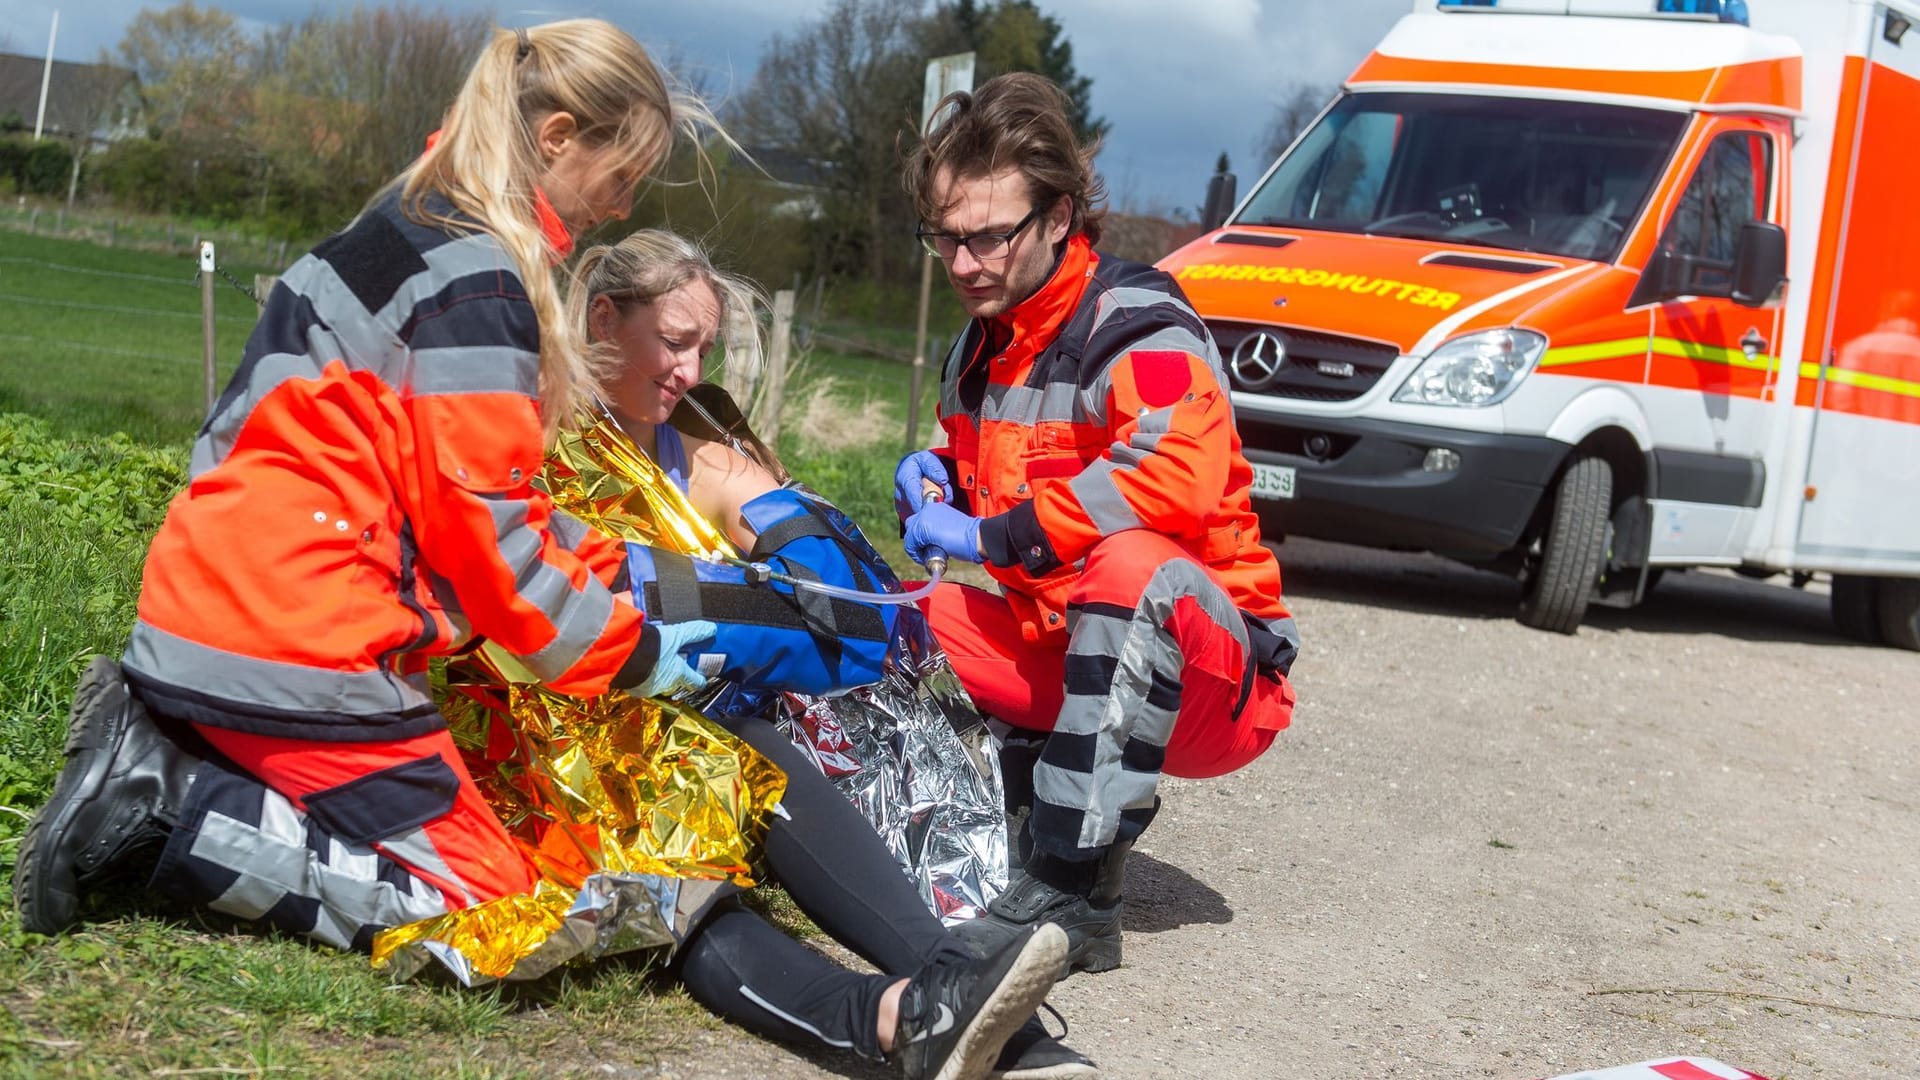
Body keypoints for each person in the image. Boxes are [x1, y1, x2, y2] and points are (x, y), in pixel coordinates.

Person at [13, 23, 1065, 1080]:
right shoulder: (479, 285)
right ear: (558, 136)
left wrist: (635, 586)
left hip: (222, 601)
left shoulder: (405, 226)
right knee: (505, 902)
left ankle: (194, 767)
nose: (619, 206)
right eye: (623, 173)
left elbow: (479, 507)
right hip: (302, 643)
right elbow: (507, 570)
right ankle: (168, 819)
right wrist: (646, 653)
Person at [572, 229, 1096, 1079]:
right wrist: (732, 603)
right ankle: (947, 1009)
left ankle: (969, 1002)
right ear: (603, 318)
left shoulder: (696, 447)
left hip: (701, 714)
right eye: (674, 342)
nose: (692, 371)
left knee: (751, 742)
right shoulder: (536, 425)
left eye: (705, 347)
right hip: (569, 722)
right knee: (726, 766)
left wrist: (714, 600)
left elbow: (847, 608)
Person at [894, 73, 1301, 976]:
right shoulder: (982, 340)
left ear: (1059, 216)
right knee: (890, 611)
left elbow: (1174, 479)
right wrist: (934, 489)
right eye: (947, 239)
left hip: (1211, 681)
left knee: (1127, 569)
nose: (965, 264)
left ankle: (1075, 892)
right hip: (1064, 648)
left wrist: (992, 540)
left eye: (990, 237)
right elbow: (971, 480)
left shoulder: (1140, 323)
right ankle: (981, 815)